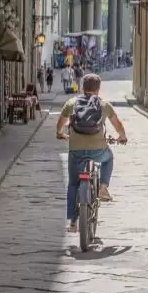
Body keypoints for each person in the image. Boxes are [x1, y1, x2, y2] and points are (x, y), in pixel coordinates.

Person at [55, 73, 128, 233]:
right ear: (98, 89)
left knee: (73, 184)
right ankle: (103, 187)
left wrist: (60, 133)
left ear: (82, 87)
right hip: (98, 150)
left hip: (76, 151)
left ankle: (73, 223)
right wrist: (122, 137)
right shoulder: (103, 104)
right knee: (108, 158)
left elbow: (60, 124)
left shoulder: (72, 103)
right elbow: (118, 124)